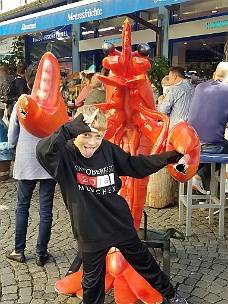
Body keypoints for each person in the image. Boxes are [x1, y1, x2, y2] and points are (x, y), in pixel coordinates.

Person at [36, 105, 188, 304]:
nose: (92, 143)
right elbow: (42, 151)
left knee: (145, 263)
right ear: (75, 133)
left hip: (119, 223)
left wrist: (169, 156)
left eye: (98, 137)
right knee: (92, 283)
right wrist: (67, 129)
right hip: (90, 230)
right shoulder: (64, 156)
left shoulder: (107, 149)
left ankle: (171, 295)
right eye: (86, 135)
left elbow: (135, 166)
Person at [6, 62, 56, 266]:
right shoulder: (54, 105)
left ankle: (19, 250)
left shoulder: (21, 104)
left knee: (22, 207)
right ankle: (41, 253)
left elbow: (11, 138)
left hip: (26, 162)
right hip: (49, 163)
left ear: (27, 81)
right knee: (46, 210)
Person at [188, 61, 228, 194]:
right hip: (210, 146)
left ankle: (198, 178)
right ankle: (224, 182)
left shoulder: (200, 87)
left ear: (215, 74)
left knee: (213, 147)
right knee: (221, 148)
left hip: (191, 144)